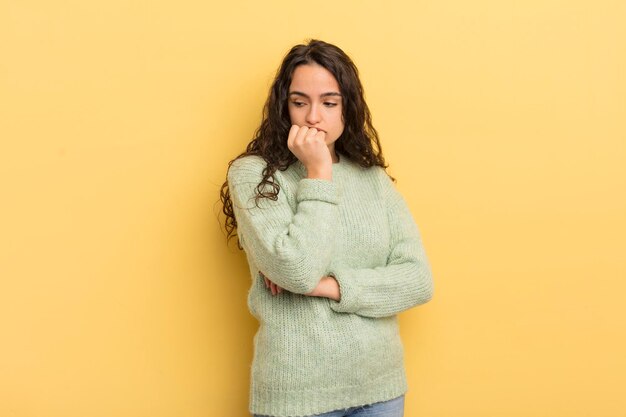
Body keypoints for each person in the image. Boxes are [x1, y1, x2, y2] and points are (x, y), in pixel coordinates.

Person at [219, 39, 434, 417]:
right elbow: (297, 270)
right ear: (284, 108)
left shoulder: (372, 179)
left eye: (329, 103)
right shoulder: (254, 174)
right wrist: (319, 173)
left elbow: (417, 280)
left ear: (347, 109)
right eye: (299, 102)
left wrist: (328, 286)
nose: (313, 117)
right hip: (298, 396)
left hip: (381, 389)